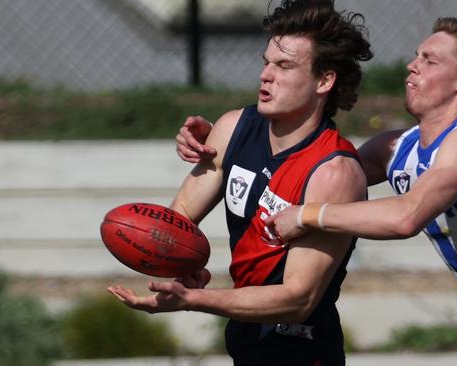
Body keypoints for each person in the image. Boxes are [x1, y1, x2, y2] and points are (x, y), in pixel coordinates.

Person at [175, 17, 457, 366]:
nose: (411, 66)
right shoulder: (396, 148)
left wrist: (308, 215)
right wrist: (220, 146)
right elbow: (305, 171)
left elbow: (405, 217)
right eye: (415, 56)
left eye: (430, 60)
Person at [108, 1, 372, 365]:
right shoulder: (234, 128)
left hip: (302, 353)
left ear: (324, 81)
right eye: (266, 62)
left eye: (284, 66)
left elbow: (298, 299)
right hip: (246, 342)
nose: (266, 76)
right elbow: (178, 220)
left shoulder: (333, 171)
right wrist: (180, 267)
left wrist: (194, 301)